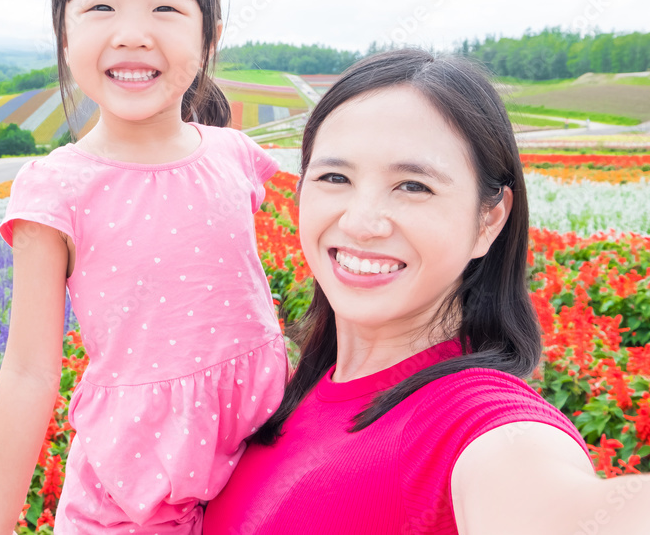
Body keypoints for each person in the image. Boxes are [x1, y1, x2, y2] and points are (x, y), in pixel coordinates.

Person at [202, 49, 650, 534]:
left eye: (413, 186)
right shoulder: (286, 392)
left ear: (489, 219)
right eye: (335, 177)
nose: (361, 222)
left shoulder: (465, 425)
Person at [0, 0, 289, 535]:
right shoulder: (58, 187)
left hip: (264, 453)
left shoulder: (235, 155)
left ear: (211, 37)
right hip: (134, 492)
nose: (132, 32)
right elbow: (30, 371)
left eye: (166, 8)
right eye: (101, 6)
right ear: (64, 33)